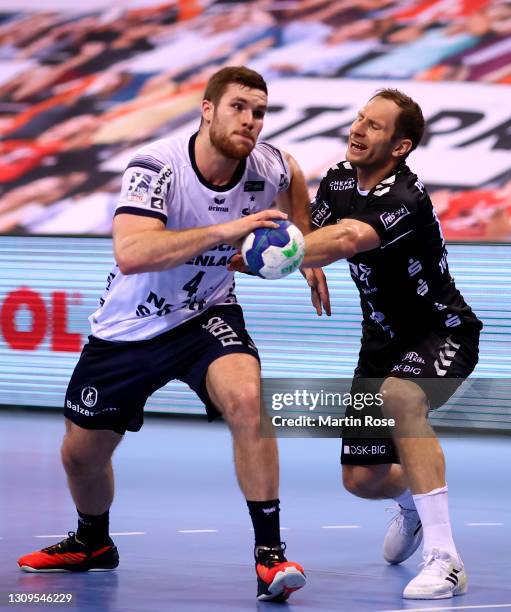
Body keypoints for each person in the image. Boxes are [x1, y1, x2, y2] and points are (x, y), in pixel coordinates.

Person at [17, 66, 329, 603]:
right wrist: (227, 230)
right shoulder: (156, 167)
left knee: (250, 400)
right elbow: (132, 253)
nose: (251, 121)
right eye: (238, 107)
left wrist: (304, 251)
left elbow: (293, 175)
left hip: (205, 317)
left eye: (259, 111)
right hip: (129, 327)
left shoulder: (268, 164)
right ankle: (93, 541)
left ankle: (271, 557)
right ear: (207, 109)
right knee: (80, 455)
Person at [302, 89, 482, 599]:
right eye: (359, 118)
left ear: (400, 147)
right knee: (361, 478)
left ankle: (446, 561)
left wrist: (266, 252)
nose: (358, 129)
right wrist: (306, 257)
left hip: (442, 332)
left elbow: (344, 239)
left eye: (374, 126)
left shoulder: (405, 198)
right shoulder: (338, 177)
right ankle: (413, 506)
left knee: (401, 397)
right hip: (379, 345)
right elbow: (319, 229)